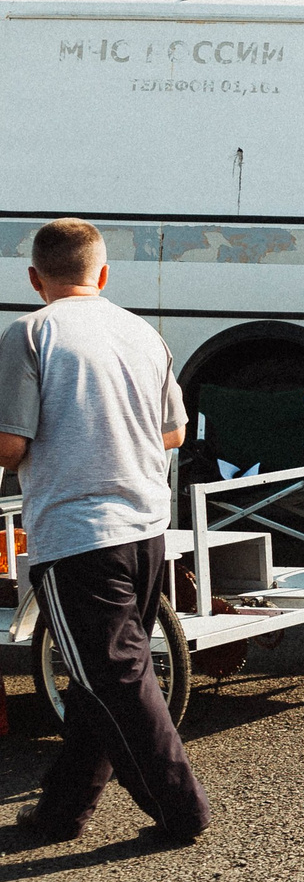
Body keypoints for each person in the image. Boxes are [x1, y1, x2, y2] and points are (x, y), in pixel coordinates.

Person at [1, 219, 209, 846]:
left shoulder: (31, 332)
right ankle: (61, 812)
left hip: (78, 531)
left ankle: (182, 809)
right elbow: (174, 432)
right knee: (104, 677)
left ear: (35, 279)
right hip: (146, 527)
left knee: (113, 678)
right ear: (104, 274)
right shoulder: (142, 332)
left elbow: (10, 446)